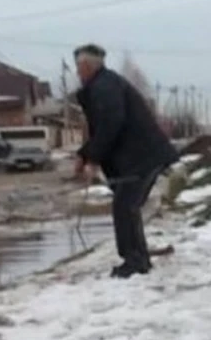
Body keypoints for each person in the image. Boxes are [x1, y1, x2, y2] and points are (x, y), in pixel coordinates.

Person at [73, 43, 180, 279]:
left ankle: (135, 261)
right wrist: (86, 154)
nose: (77, 72)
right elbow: (104, 128)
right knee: (127, 207)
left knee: (125, 207)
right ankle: (137, 259)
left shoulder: (104, 87)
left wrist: (91, 156)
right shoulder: (104, 84)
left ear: (88, 66)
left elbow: (111, 124)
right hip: (139, 156)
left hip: (141, 157)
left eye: (79, 67)